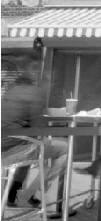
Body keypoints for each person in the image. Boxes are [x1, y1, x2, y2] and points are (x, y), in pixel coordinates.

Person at [1, 75, 68, 207]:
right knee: (65, 148)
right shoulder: (33, 94)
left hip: (5, 147)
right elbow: (38, 128)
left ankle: (12, 192)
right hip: (14, 150)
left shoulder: (9, 94)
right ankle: (30, 193)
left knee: (33, 144)